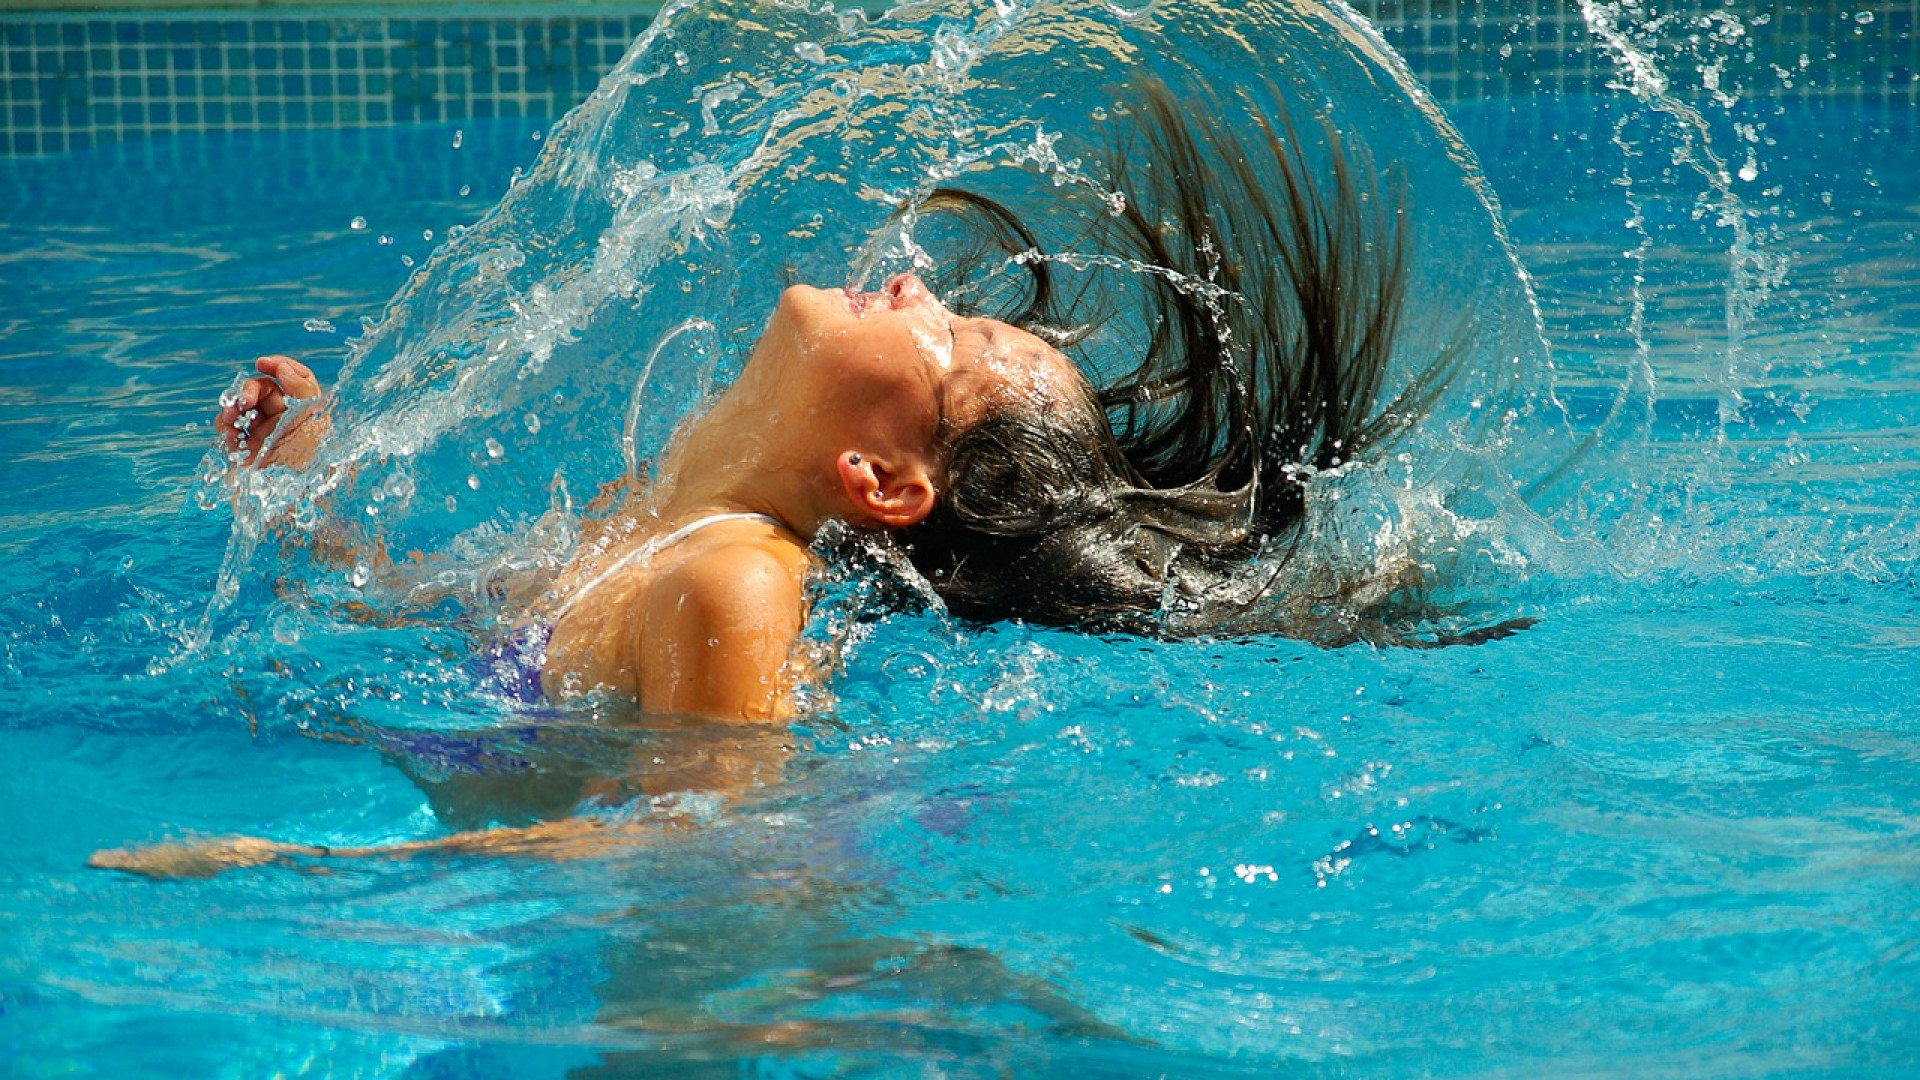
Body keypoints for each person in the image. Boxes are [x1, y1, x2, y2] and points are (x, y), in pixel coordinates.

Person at [91, 79, 1462, 877]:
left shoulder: (734, 581)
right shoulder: (639, 522)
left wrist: (301, 872)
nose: (920, 284)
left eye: (956, 345)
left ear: (881, 478)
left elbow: (715, 859)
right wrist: (303, 503)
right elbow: (419, 620)